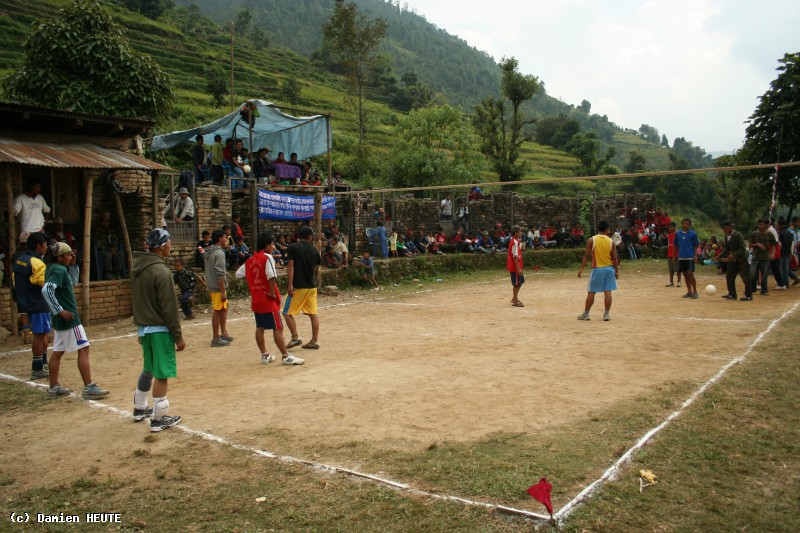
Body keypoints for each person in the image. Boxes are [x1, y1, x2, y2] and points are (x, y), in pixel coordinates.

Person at [131, 228, 184, 432]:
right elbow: (169, 308)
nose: (171, 245)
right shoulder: (162, 272)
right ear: (162, 246)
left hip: (145, 329)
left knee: (149, 368)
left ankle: (140, 407)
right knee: (162, 373)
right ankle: (158, 419)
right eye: (170, 242)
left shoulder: (139, 269)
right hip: (160, 329)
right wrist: (177, 336)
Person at [42, 242, 109, 399]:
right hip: (70, 319)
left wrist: (57, 311)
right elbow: (47, 290)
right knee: (84, 348)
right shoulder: (59, 269)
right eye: (68, 254)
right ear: (59, 257)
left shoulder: (52, 268)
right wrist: (60, 310)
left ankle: (53, 387)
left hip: (61, 319)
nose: (71, 256)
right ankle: (89, 387)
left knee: (58, 352)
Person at [235, 233, 304, 366]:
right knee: (278, 327)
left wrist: (254, 282)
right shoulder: (267, 258)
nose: (273, 247)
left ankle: (265, 355)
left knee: (260, 327)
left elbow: (239, 274)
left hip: (256, 298)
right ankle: (285, 356)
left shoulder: (250, 260)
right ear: (267, 245)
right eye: (272, 244)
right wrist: (272, 292)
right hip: (267, 299)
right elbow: (272, 276)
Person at [11, 232, 50, 380]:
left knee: (42, 334)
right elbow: (43, 283)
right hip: (38, 303)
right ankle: (38, 368)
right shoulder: (37, 263)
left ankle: (43, 364)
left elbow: (15, 282)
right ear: (39, 246)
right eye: (45, 245)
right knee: (40, 336)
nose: (46, 248)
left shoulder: (20, 260)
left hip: (25, 302)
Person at [283, 225, 321, 351]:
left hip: (299, 286)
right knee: (312, 313)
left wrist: (290, 284)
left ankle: (295, 337)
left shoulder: (293, 247)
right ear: (310, 237)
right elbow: (316, 267)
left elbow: (290, 265)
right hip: (312, 286)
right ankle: (314, 340)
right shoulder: (314, 250)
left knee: (287, 313)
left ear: (299, 236)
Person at [577, 220, 619, 321]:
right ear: (607, 230)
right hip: (609, 269)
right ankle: (606, 314)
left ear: (598, 229)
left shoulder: (592, 240)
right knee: (608, 291)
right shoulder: (611, 242)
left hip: (597, 269)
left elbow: (587, 256)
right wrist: (616, 271)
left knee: (591, 292)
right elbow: (614, 258)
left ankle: (586, 313)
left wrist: (581, 269)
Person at [204, 229, 233, 347]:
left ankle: (223, 333)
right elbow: (219, 273)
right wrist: (222, 291)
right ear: (220, 238)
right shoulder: (219, 253)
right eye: (225, 237)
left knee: (223, 308)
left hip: (213, 284)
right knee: (217, 310)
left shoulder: (210, 252)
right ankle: (216, 337)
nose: (227, 239)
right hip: (217, 286)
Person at [717, 220, 752, 301]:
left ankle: (748, 295)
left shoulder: (738, 235)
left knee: (745, 278)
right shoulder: (726, 236)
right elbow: (727, 248)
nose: (723, 230)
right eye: (722, 228)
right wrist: (719, 256)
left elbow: (742, 248)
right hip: (733, 260)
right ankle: (732, 294)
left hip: (741, 259)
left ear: (730, 227)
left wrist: (733, 255)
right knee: (729, 276)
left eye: (724, 228)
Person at [92, 211, 124, 280]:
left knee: (119, 253)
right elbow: (98, 243)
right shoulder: (97, 231)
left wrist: (114, 248)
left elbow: (115, 240)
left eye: (107, 222)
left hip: (111, 249)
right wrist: (108, 248)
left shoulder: (111, 231)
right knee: (108, 255)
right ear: (101, 221)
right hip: (102, 250)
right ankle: (108, 273)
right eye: (104, 221)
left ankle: (117, 272)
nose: (106, 224)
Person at [749, 217, 776, 296]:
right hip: (755, 257)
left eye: (761, 224)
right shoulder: (754, 233)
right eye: (759, 224)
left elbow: (774, 244)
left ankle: (764, 290)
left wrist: (772, 253)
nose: (759, 226)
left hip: (765, 258)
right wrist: (757, 244)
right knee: (752, 274)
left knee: (764, 275)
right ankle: (752, 289)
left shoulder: (770, 234)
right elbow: (750, 245)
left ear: (766, 225)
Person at [674, 218, 700, 299]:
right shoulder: (678, 234)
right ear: (681, 224)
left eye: (687, 224)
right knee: (685, 274)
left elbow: (695, 245)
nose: (685, 225)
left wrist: (695, 255)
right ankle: (689, 291)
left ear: (689, 225)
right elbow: (675, 245)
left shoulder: (693, 234)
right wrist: (674, 255)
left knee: (690, 273)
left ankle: (695, 291)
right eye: (684, 224)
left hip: (690, 257)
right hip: (681, 257)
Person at [507, 225, 524, 307]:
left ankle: (515, 298)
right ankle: (515, 300)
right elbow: (515, 256)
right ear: (515, 232)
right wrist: (518, 269)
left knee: (520, 282)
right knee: (517, 283)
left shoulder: (517, 241)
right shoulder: (514, 242)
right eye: (520, 231)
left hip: (518, 265)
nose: (521, 232)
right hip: (515, 267)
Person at [665, 221, 682, 288]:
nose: (670, 228)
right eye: (669, 227)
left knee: (678, 269)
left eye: (671, 227)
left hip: (676, 253)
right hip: (669, 253)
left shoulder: (677, 234)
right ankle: (671, 282)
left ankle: (679, 282)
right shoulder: (669, 235)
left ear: (674, 227)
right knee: (671, 269)